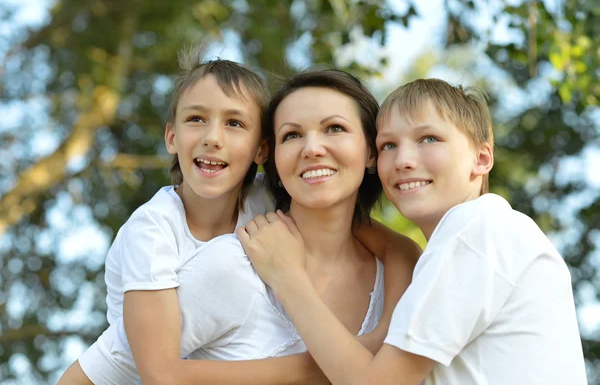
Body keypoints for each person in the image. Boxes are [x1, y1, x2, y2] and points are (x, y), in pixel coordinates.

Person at [58, 62, 420, 384]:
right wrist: (339, 361)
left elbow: (397, 244)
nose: (312, 149)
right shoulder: (188, 248)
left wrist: (388, 326)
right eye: (292, 134)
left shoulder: (402, 275)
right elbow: (146, 373)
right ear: (275, 154)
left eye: (335, 128)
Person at [239, 78, 588, 385]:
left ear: (481, 159)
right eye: (388, 145)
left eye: (429, 139)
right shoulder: (469, 239)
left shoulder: (477, 230)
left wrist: (287, 277)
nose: (403, 159)